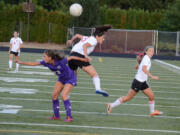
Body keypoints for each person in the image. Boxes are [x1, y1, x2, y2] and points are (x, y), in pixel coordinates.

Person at [16, 49, 89, 122]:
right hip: (61, 79)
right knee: (54, 95)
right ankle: (56, 116)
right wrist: (21, 62)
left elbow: (72, 57)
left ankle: (69, 117)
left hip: (71, 78)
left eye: (45, 56)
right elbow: (33, 63)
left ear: (50, 57)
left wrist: (83, 59)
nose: (43, 58)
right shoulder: (46, 62)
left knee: (64, 95)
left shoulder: (61, 61)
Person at [106, 46, 163, 117]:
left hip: (143, 82)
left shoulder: (146, 58)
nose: (152, 52)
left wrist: (138, 66)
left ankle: (152, 112)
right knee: (128, 97)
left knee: (151, 96)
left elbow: (142, 65)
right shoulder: (146, 58)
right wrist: (152, 76)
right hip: (138, 82)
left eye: (153, 51)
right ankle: (111, 105)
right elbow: (144, 69)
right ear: (146, 52)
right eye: (150, 51)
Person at [66, 25, 112, 97]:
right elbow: (85, 45)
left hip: (72, 55)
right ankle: (98, 89)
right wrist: (86, 55)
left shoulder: (87, 38)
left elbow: (77, 35)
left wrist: (71, 41)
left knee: (73, 78)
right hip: (79, 56)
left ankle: (67, 94)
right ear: (97, 36)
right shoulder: (94, 40)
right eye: (103, 37)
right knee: (94, 74)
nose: (103, 39)